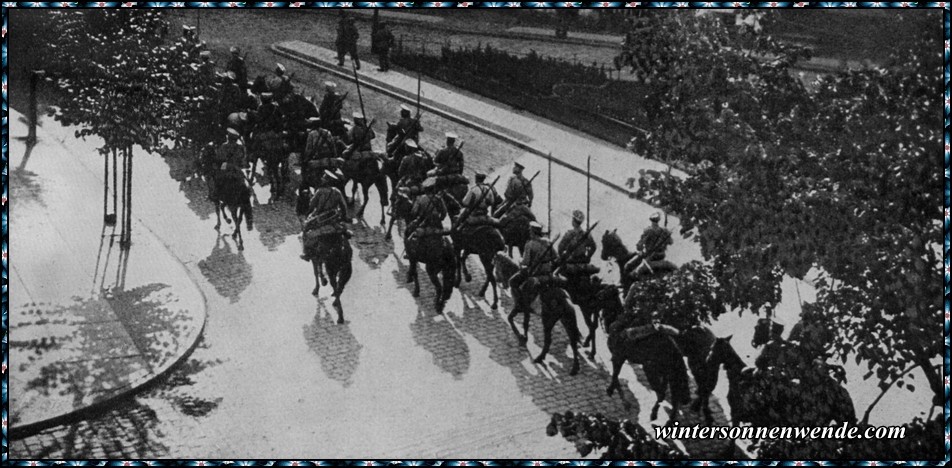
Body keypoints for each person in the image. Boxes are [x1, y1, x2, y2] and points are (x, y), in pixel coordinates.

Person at [301, 170, 349, 261]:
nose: (322, 178)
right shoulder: (337, 192)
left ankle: (306, 253)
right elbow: (344, 206)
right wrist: (344, 217)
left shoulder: (320, 191)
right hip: (333, 219)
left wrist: (308, 215)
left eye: (324, 177)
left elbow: (311, 205)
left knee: (305, 230)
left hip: (320, 219)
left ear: (326, 180)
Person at [558, 210, 598, 278]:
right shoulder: (587, 235)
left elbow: (560, 248)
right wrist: (588, 256)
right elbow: (593, 247)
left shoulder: (569, 234)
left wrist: (564, 257)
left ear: (573, 221)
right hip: (583, 262)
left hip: (571, 264)